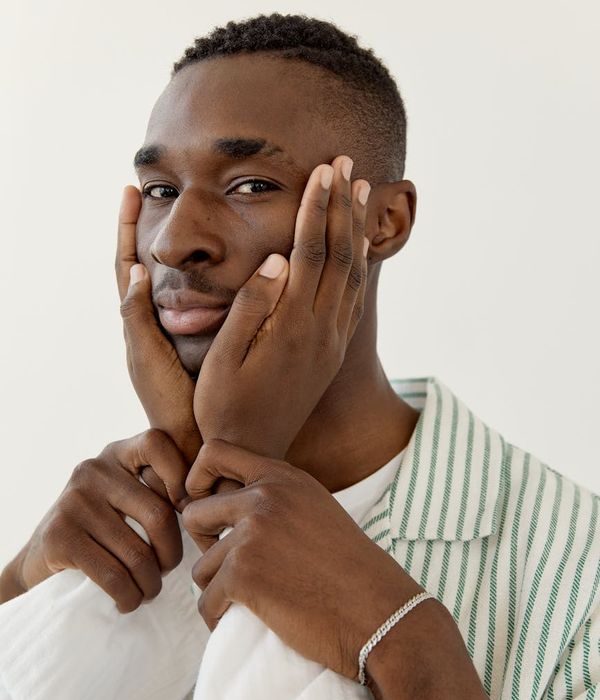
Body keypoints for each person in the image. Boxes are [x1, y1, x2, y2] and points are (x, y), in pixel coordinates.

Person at [0, 13, 598, 700]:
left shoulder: (581, 579)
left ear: (385, 221)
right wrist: (17, 586)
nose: (172, 243)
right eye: (161, 191)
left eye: (250, 185)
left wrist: (409, 645)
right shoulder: (112, 519)